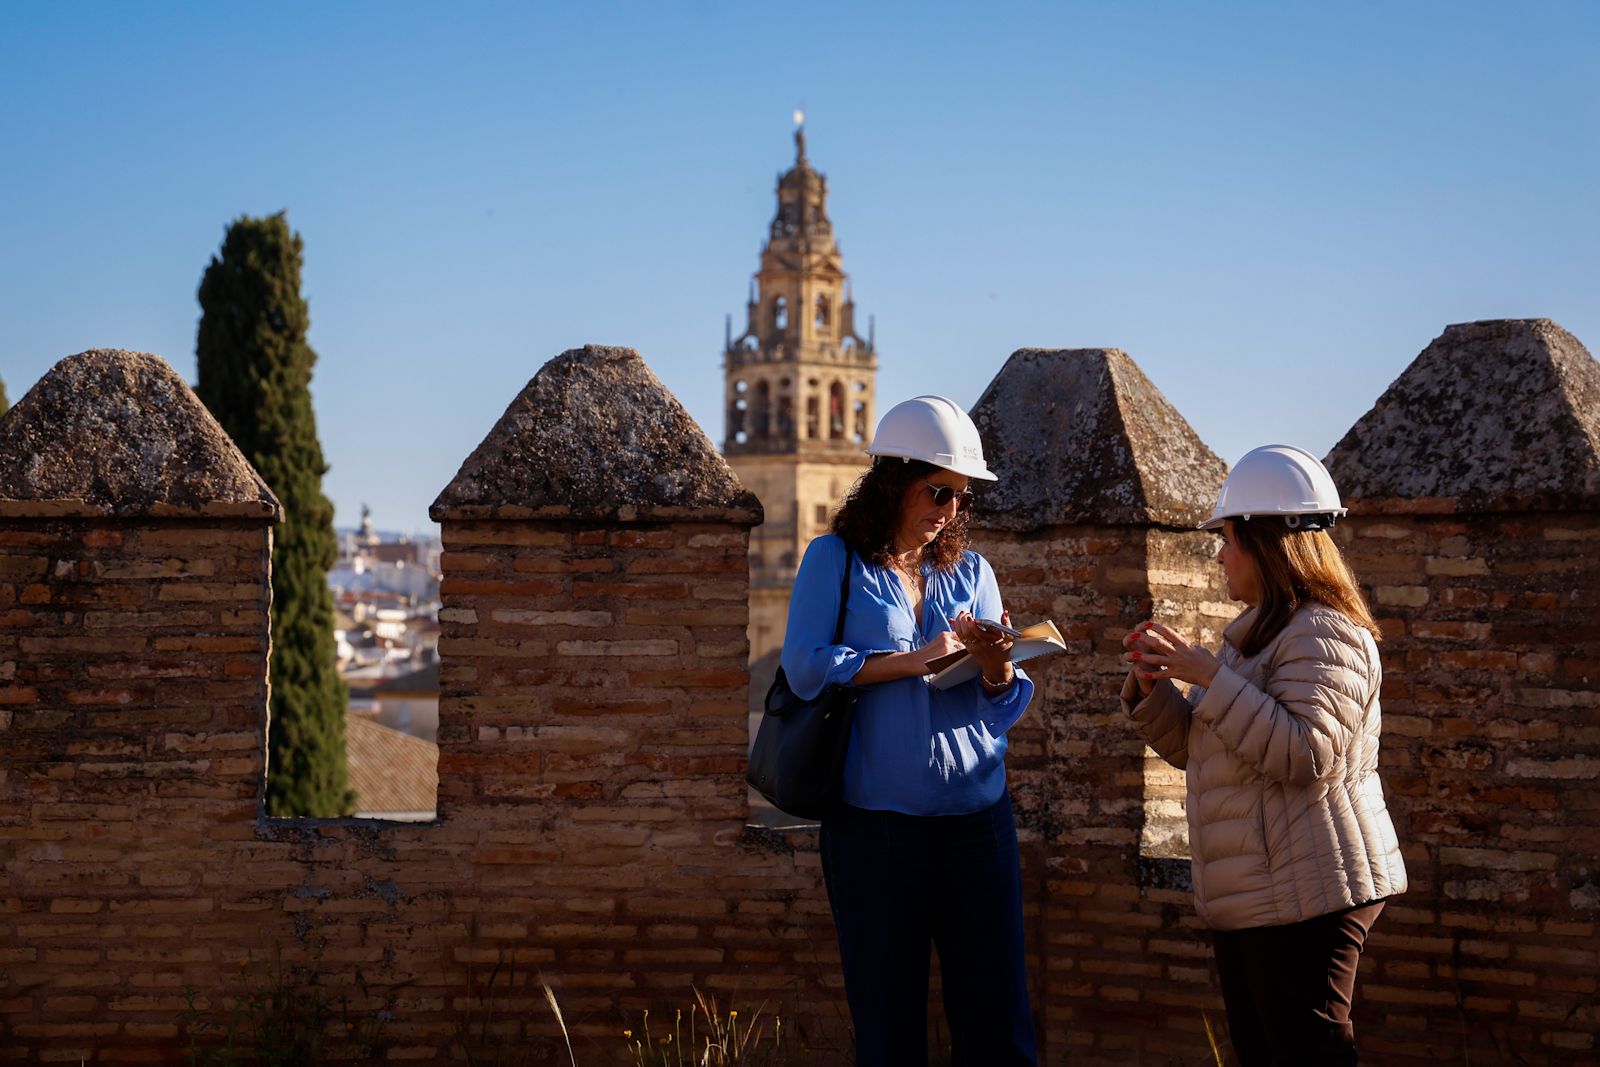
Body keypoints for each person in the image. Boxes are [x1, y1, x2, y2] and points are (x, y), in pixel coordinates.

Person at [1119, 444, 1407, 1067]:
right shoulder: (1259, 634)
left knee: (1308, 1056)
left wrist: (1209, 675)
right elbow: (1203, 751)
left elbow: (1305, 753)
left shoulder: (1325, 632)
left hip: (1310, 887)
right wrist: (1154, 687)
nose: (1219, 555)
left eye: (1227, 539)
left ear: (1266, 543)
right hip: (1263, 889)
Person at [780, 395, 1037, 1067]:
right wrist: (912, 661)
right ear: (893, 480)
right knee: (890, 1027)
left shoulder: (973, 572)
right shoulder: (834, 560)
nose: (951, 509)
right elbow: (804, 667)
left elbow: (1000, 704)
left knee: (999, 1024)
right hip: (877, 828)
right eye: (938, 490)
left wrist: (996, 665)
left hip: (979, 822)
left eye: (962, 496)